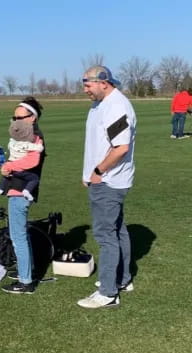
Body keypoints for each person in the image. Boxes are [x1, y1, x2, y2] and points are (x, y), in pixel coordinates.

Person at [78, 66, 136, 309]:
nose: (85, 89)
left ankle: (108, 292)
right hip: (103, 180)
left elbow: (120, 148)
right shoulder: (101, 105)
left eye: (88, 84)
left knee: (105, 236)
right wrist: (88, 172)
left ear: (104, 82)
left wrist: (98, 171)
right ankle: (122, 279)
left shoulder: (116, 106)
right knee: (117, 230)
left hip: (109, 182)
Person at [0, 97, 46, 295]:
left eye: (21, 117)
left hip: (21, 191)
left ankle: (26, 281)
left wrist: (8, 166)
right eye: (14, 117)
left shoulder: (34, 136)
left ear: (32, 118)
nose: (16, 121)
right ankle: (27, 270)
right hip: (17, 188)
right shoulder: (26, 134)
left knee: (17, 236)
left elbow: (32, 161)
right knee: (20, 234)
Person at [0, 116, 44, 201]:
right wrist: (39, 143)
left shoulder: (11, 142)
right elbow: (39, 148)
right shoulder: (25, 144)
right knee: (34, 178)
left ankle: (1, 188)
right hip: (19, 169)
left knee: (7, 174)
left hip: (11, 164)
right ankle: (27, 191)